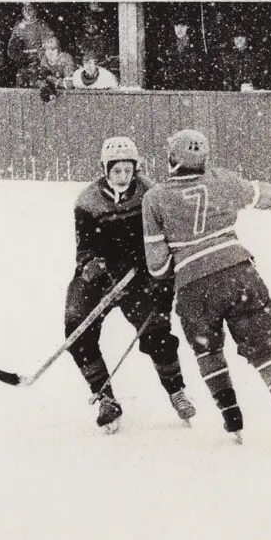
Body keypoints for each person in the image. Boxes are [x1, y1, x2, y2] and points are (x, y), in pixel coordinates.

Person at [142, 130, 271, 446]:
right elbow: (268, 197)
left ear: (172, 158)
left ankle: (232, 419)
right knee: (266, 353)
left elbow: (158, 267)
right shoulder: (222, 180)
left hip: (194, 287)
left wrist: (178, 259)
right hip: (240, 274)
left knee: (208, 350)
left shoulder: (154, 197)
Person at [69, 138, 195, 433]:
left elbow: (168, 238)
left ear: (136, 169)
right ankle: (105, 398)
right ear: (104, 170)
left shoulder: (152, 195)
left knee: (158, 333)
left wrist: (162, 278)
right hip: (100, 277)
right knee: (76, 329)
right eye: (117, 171)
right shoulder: (87, 202)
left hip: (139, 276)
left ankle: (176, 391)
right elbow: (84, 249)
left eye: (128, 170)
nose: (123, 177)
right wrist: (93, 269)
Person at [8, 3, 55, 86]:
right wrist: (18, 56)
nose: (27, 12)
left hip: (38, 60)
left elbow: (50, 43)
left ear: (35, 11)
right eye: (25, 10)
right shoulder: (18, 27)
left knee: (37, 79)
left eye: (30, 9)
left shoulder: (41, 25)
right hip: (22, 61)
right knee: (21, 80)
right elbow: (12, 47)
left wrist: (40, 54)